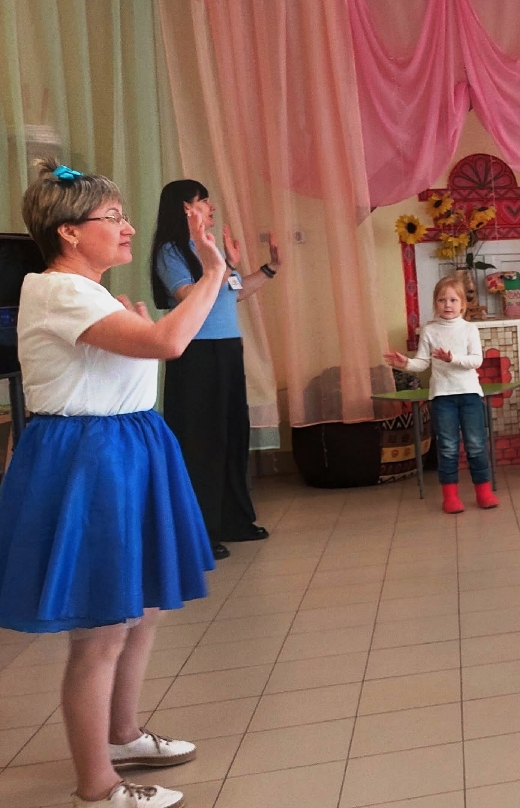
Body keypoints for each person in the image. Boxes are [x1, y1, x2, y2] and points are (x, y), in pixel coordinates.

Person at [0, 160, 223, 808]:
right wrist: (212, 271)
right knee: (101, 630)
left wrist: (144, 326)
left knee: (140, 607)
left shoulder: (85, 293)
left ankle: (122, 735)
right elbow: (169, 342)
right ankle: (97, 787)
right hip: (91, 456)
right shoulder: (59, 291)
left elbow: (140, 347)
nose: (127, 228)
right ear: (69, 232)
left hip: (126, 444)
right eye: (113, 218)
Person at [150, 180, 279, 561]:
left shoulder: (209, 250)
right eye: (204, 201)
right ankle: (200, 532)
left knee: (232, 435)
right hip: (195, 353)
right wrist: (222, 265)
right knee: (201, 442)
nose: (212, 207)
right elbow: (189, 296)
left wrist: (270, 268)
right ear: (185, 208)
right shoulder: (171, 250)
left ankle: (234, 521)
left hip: (227, 348)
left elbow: (232, 293)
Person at [384, 276, 496, 513]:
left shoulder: (469, 329)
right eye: (442, 300)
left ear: (463, 304)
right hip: (442, 398)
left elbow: (476, 360)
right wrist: (405, 364)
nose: (447, 304)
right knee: (447, 447)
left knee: (476, 445)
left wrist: (452, 358)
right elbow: (422, 363)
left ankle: (484, 493)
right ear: (435, 303)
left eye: (453, 300)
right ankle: (450, 498)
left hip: (469, 395)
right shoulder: (430, 330)